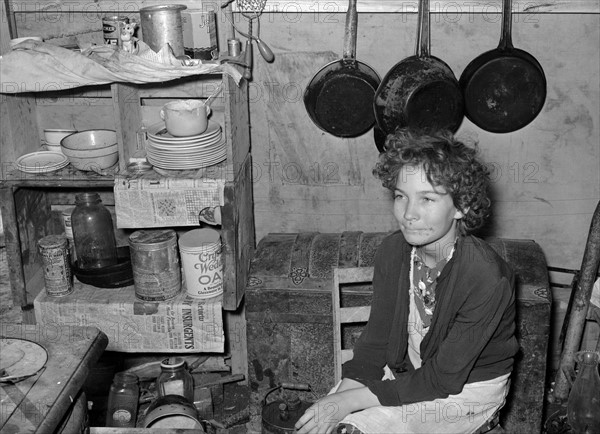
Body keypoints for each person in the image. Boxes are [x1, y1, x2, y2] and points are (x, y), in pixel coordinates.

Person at [295, 129, 519, 434]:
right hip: (409, 368)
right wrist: (338, 399)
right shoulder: (393, 252)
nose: (409, 213)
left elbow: (442, 379)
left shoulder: (485, 277)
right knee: (329, 424)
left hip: (466, 389)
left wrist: (349, 404)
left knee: (356, 427)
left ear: (461, 206)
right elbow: (375, 345)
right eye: (401, 196)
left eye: (427, 199)